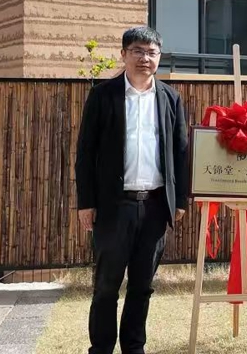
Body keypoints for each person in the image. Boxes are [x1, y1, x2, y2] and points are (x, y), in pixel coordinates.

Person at [75, 26, 190, 354]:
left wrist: (179, 200)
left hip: (155, 206)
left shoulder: (170, 98)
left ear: (159, 57)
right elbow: (86, 152)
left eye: (152, 52)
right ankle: (101, 348)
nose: (145, 58)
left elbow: (180, 151)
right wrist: (86, 203)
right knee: (106, 286)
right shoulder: (103, 96)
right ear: (123, 54)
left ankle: (134, 348)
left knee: (142, 286)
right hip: (114, 206)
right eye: (138, 51)